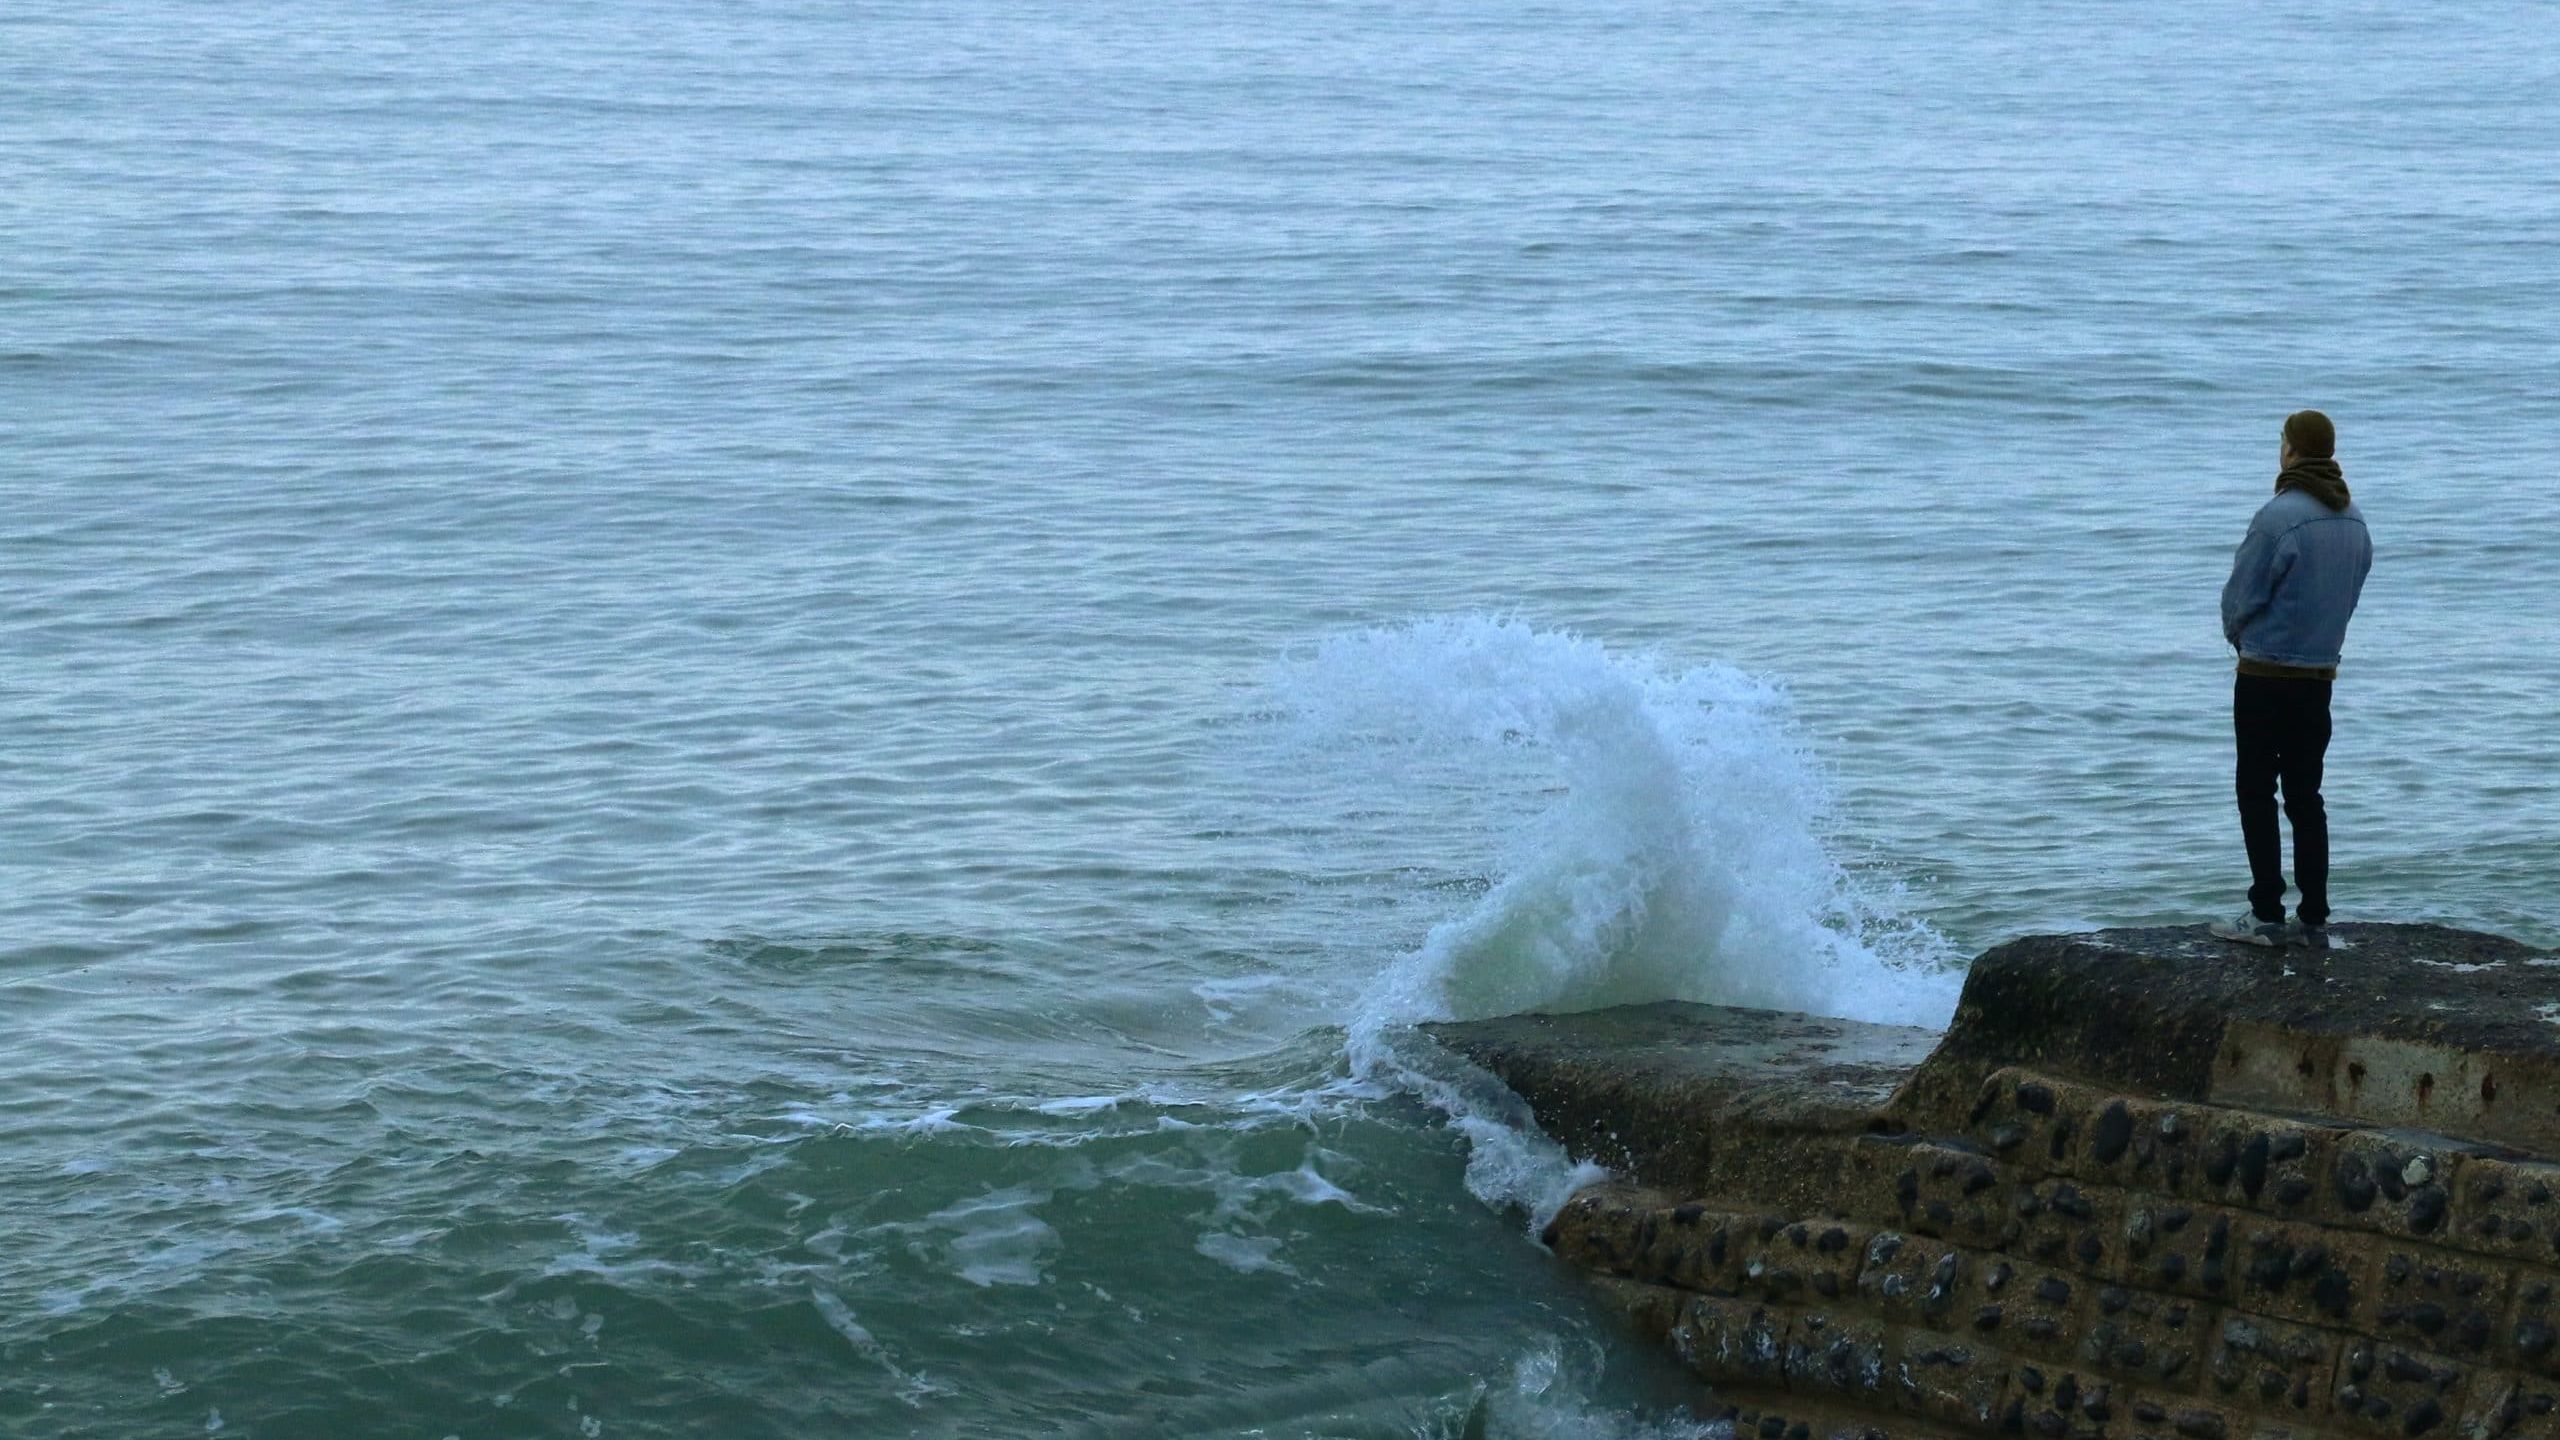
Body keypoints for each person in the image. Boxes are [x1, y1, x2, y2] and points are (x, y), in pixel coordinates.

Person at [2210, 409, 2373, 952]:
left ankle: (2265, 912)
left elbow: (2241, 597)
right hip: (2318, 676)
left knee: (2255, 789)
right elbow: (2349, 596)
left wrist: (2239, 637)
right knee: (2306, 793)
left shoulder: (2277, 518)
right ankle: (2315, 916)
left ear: (2293, 451)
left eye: (2282, 442)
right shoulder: (2353, 520)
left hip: (2264, 674)